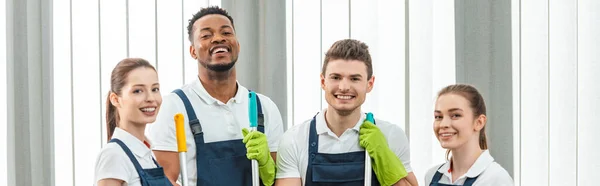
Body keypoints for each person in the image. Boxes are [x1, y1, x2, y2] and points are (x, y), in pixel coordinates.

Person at [146, 6, 284, 186]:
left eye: (226, 32)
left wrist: (266, 163)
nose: (219, 38)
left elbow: (279, 179)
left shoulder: (264, 107)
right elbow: (166, 180)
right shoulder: (174, 107)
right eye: (206, 35)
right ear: (193, 51)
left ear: (238, 45)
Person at [275, 39, 419, 186]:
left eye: (355, 79)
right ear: (323, 81)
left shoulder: (391, 136)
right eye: (336, 77)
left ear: (369, 84)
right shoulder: (295, 139)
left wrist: (384, 156)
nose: (344, 87)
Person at [94, 58, 171, 186]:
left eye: (155, 89)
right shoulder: (114, 155)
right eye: (138, 91)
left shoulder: (147, 155)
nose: (151, 98)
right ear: (115, 99)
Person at [425, 84, 513, 186]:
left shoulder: (496, 179)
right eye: (438, 117)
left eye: (455, 115)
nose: (443, 124)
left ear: (479, 122)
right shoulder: (431, 175)